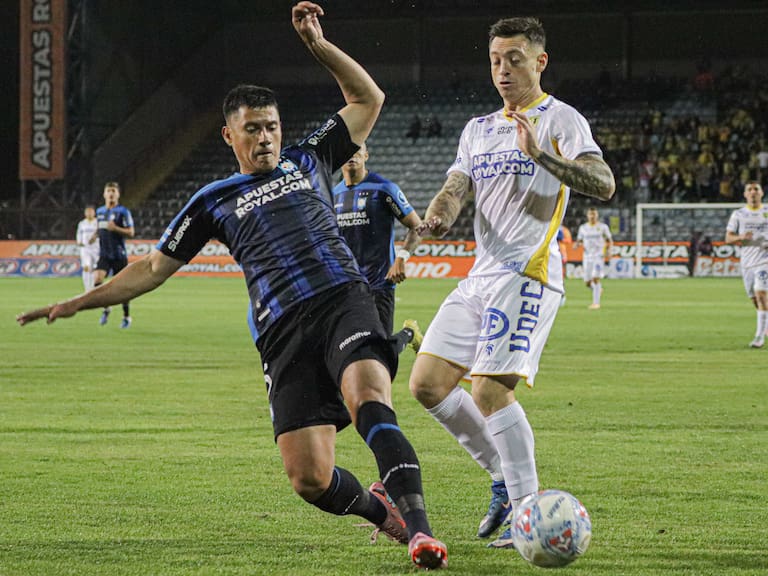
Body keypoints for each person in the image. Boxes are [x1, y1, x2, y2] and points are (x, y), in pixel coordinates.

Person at [17, 3, 446, 570]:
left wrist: (318, 46)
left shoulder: (309, 157)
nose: (265, 137)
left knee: (368, 400)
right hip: (282, 332)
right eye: (252, 129)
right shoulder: (211, 201)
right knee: (309, 478)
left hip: (343, 297)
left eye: (271, 126)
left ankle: (421, 532)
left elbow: (369, 100)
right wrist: (77, 300)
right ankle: (382, 513)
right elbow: (151, 269)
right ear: (229, 134)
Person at [407, 16, 615, 549]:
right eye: (496, 59)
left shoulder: (560, 120)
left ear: (539, 61)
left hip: (529, 272)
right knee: (427, 384)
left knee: (489, 390)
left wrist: (541, 156)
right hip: (481, 274)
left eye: (515, 59)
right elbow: (455, 187)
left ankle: (529, 514)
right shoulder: (478, 128)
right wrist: (437, 218)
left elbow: (604, 183)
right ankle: (501, 474)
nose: (503, 69)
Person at [333, 142, 424, 354]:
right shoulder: (333, 195)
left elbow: (417, 227)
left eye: (357, 150)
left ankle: (409, 333)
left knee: (381, 354)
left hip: (379, 283)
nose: (351, 155)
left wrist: (401, 258)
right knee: (350, 350)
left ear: (366, 155)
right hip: (347, 286)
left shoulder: (383, 189)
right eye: (347, 150)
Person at [725, 181, 768, 348]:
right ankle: (765, 324)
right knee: (755, 300)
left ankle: (759, 338)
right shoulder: (738, 214)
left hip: (764, 261)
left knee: (761, 294)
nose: (753, 192)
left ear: (762, 193)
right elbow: (728, 238)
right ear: (744, 194)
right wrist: (741, 237)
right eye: (749, 190)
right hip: (747, 263)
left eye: (756, 189)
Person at [94, 182, 135, 328]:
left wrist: (116, 228)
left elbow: (131, 232)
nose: (111, 194)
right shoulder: (99, 212)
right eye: (108, 191)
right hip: (104, 254)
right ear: (104, 194)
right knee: (97, 280)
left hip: (119, 255)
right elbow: (100, 228)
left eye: (113, 191)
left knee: (122, 289)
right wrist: (94, 235)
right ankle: (106, 308)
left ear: (118, 194)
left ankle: (126, 316)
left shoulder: (123, 212)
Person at [573, 207, 613, 310]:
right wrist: (576, 245)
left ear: (597, 215)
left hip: (598, 256)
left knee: (595, 278)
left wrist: (609, 250)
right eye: (590, 214)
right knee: (587, 281)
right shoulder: (583, 228)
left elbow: (609, 240)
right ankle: (597, 289)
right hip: (587, 257)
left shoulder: (603, 227)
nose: (592, 216)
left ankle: (596, 303)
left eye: (594, 214)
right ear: (587, 216)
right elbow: (579, 239)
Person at [75, 205, 99, 292]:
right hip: (85, 249)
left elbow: (100, 233)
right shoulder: (82, 223)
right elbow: (78, 234)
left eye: (91, 211)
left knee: (95, 269)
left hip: (96, 248)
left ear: (94, 212)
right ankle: (87, 289)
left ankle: (93, 288)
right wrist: (79, 241)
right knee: (86, 267)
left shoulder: (97, 223)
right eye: (87, 211)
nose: (89, 213)